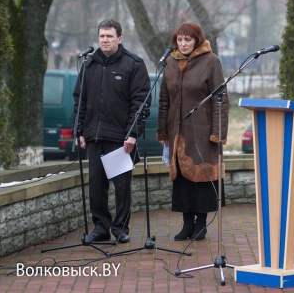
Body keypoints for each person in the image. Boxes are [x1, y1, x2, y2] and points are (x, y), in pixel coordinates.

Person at [73, 19, 151, 244]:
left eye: (109, 36)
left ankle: (120, 228)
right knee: (96, 186)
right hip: (94, 136)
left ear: (119, 38)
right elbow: (80, 99)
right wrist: (79, 131)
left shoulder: (133, 65)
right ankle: (100, 227)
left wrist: (133, 133)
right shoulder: (89, 65)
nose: (105, 40)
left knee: (121, 186)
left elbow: (141, 101)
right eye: (101, 36)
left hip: (120, 138)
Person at [156, 22, 229, 241]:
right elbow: (164, 100)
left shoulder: (211, 61)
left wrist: (218, 132)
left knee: (201, 179)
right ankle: (187, 224)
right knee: (182, 181)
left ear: (197, 40)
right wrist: (162, 132)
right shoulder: (170, 62)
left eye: (187, 39)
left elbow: (221, 100)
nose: (183, 43)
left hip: (202, 132)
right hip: (177, 131)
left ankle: (201, 224)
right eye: (179, 39)